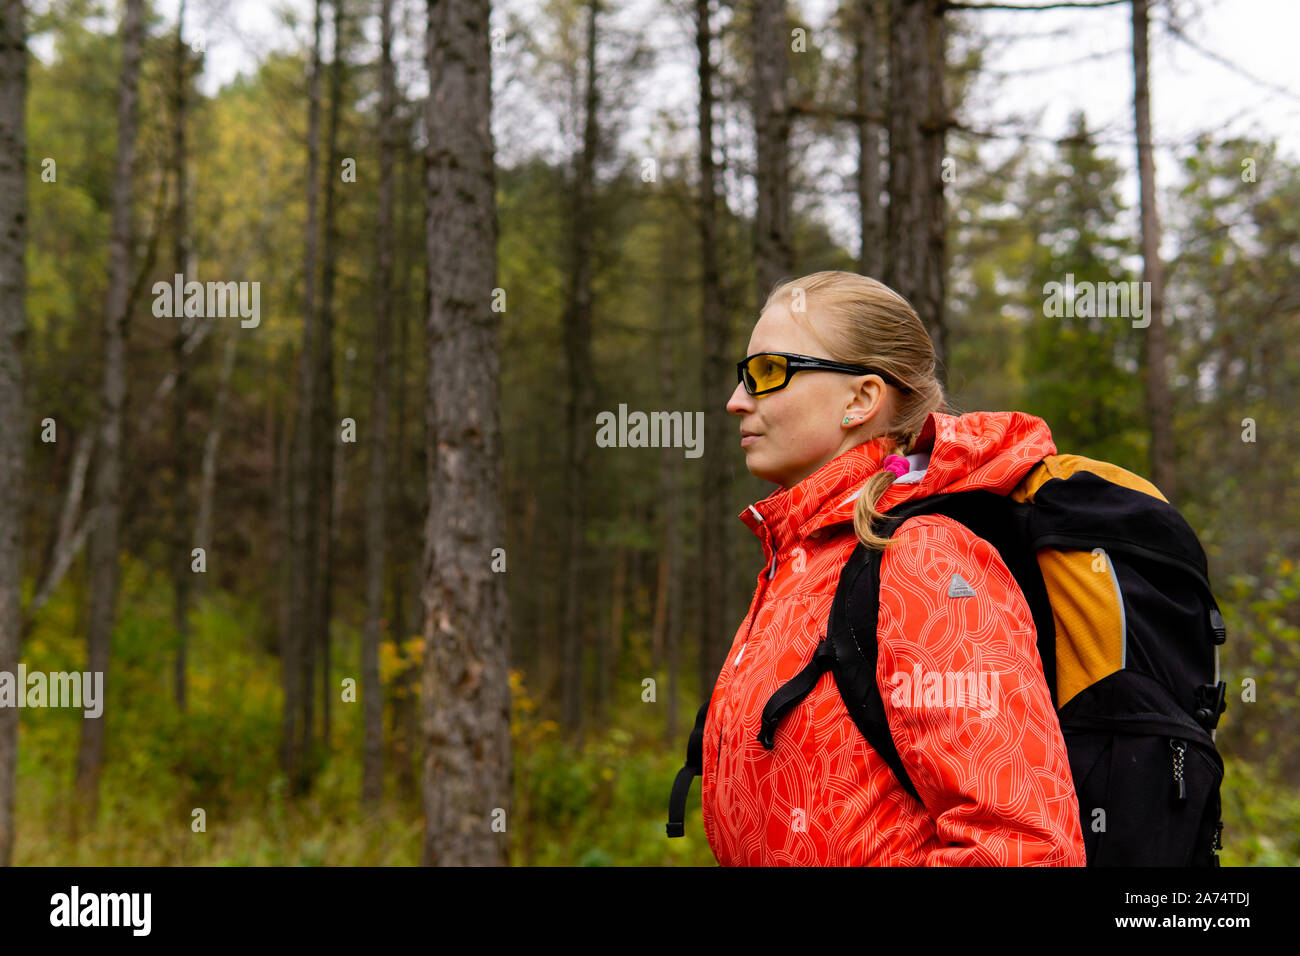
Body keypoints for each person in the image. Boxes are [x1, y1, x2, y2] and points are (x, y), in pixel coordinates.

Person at [708, 270, 1086, 865]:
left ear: (861, 399)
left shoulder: (925, 561)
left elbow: (1026, 849)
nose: (736, 401)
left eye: (767, 374)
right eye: (742, 376)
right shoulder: (801, 562)